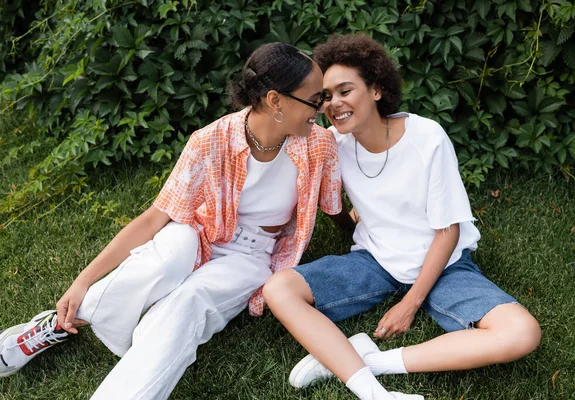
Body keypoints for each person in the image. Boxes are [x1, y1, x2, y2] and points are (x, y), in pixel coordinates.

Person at [0, 42, 343, 399]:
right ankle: (60, 320)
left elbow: (333, 208)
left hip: (252, 255)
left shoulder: (319, 146)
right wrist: (82, 281)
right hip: (199, 230)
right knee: (165, 259)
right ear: (275, 100)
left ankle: (81, 344)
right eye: (316, 99)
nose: (324, 107)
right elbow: (154, 218)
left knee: (186, 304)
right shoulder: (209, 141)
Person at [263, 34, 542, 400]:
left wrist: (409, 304)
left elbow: (448, 231)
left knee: (522, 333)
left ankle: (369, 361)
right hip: (375, 261)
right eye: (327, 96)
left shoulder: (427, 137)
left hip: (443, 265)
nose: (335, 104)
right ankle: (359, 373)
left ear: (376, 89)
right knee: (278, 289)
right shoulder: (333, 144)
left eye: (346, 90)